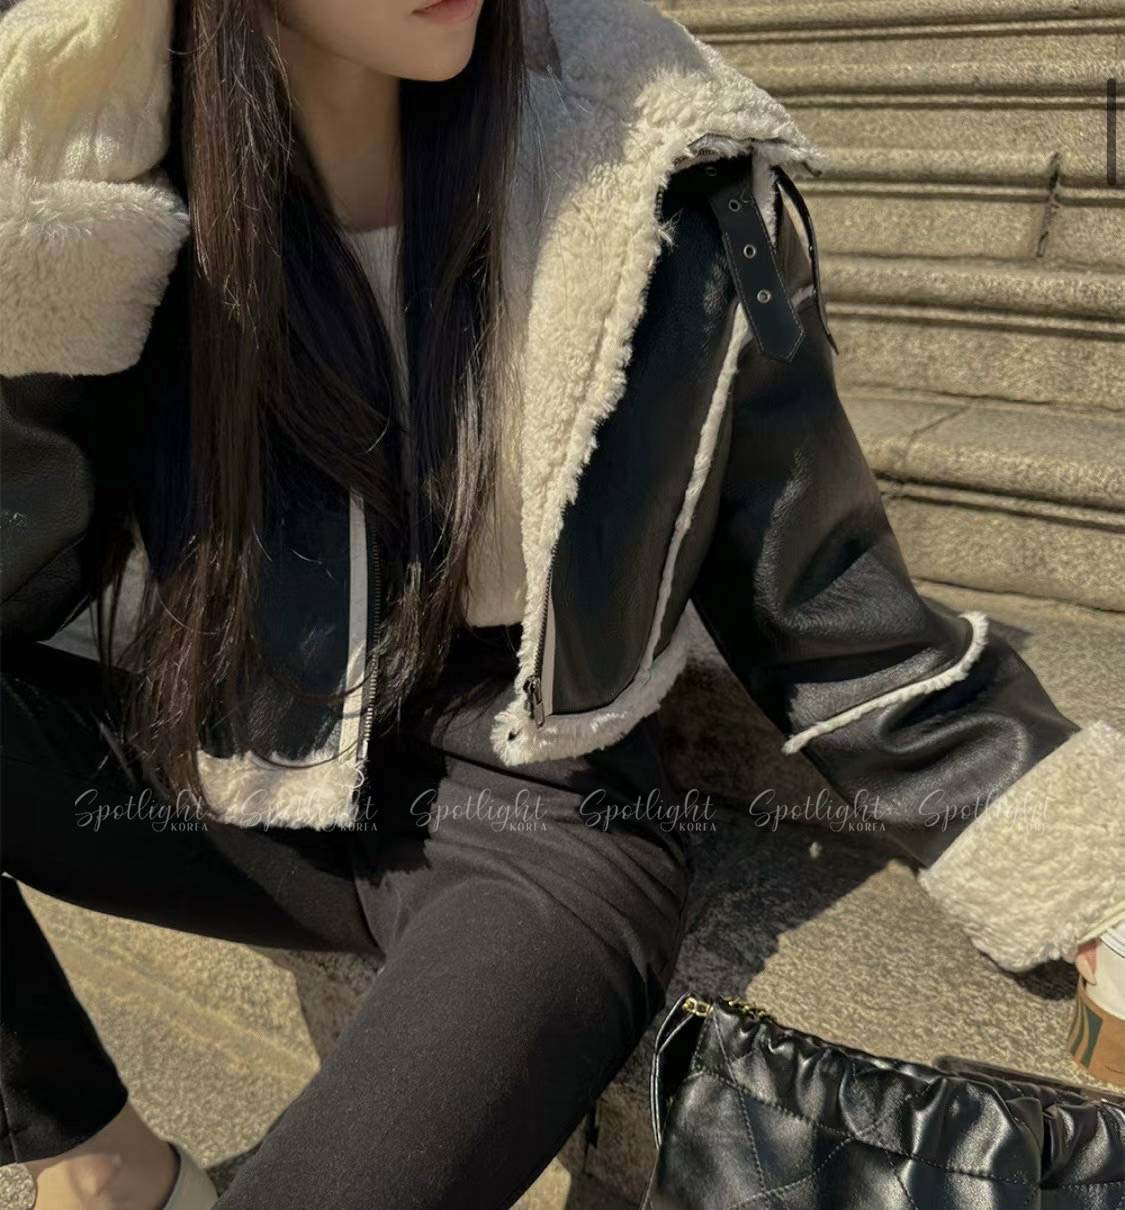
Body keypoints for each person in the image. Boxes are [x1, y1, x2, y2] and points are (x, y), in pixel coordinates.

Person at [1, 0, 1122, 1206]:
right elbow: (31, 559)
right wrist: (60, 244)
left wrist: (1092, 880)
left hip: (531, 817)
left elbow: (827, 602)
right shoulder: (128, 186)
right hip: (249, 766)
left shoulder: (657, 171)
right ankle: (101, 1169)